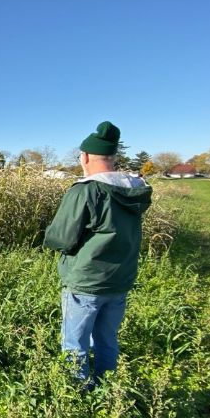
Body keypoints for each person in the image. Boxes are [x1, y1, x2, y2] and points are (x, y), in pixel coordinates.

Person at [43, 121, 152, 386]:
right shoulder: (134, 190)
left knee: (75, 343)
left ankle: (78, 397)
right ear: (112, 156)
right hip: (120, 281)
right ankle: (106, 388)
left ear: (86, 156)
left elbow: (60, 237)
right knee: (107, 339)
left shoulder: (87, 190)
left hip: (86, 282)